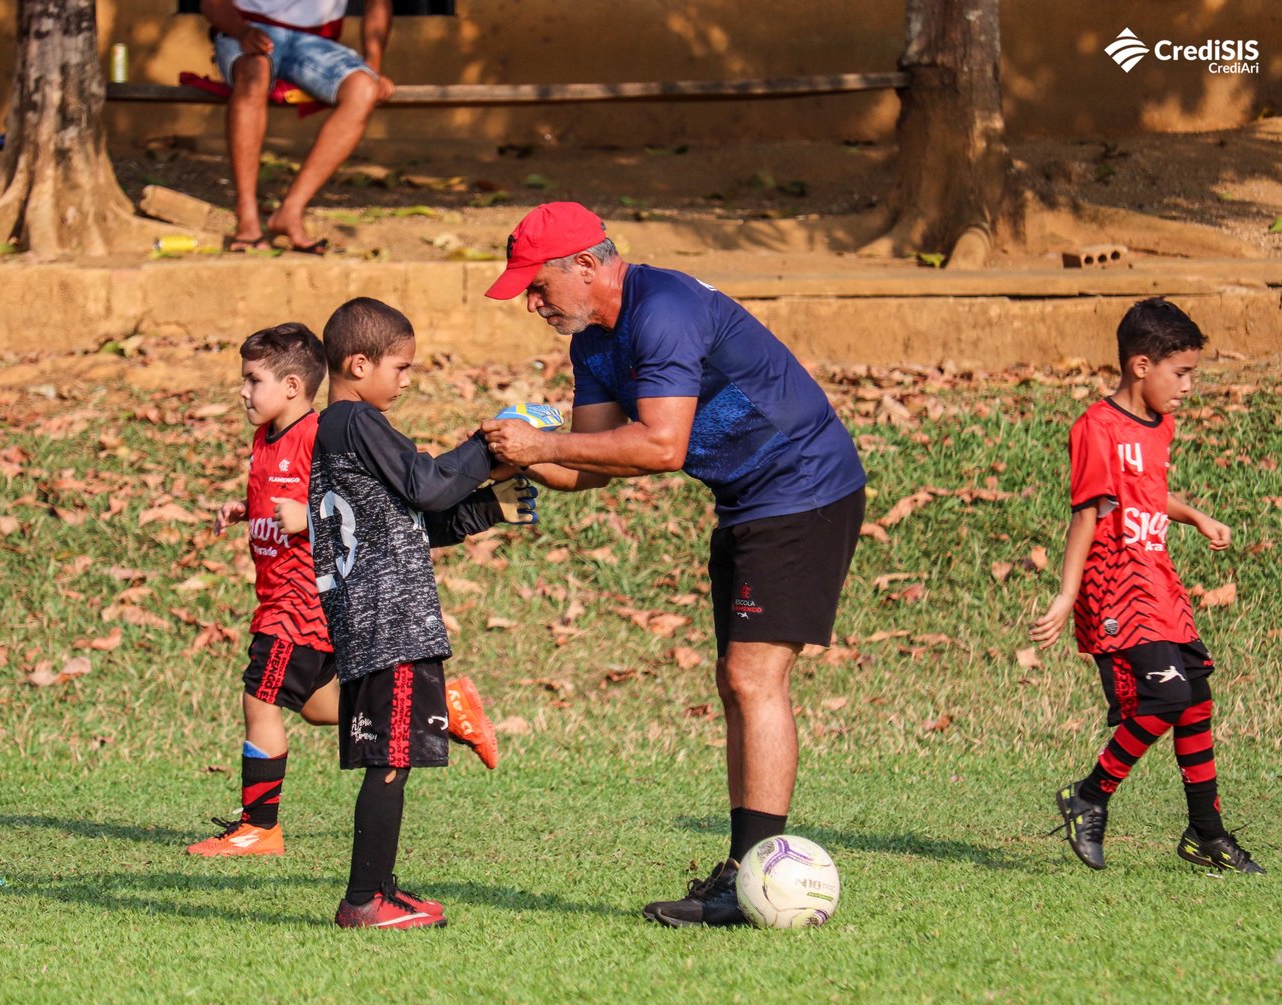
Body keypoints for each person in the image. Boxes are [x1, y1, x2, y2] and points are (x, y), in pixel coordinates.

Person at [480, 202, 867, 927]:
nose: (532, 304)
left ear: (587, 266)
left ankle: (754, 872)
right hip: (748, 499)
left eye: (538, 286)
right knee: (736, 681)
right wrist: (506, 464)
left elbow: (659, 445)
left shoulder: (665, 310)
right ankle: (745, 866)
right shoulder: (593, 342)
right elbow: (597, 463)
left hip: (804, 487)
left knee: (754, 676)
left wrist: (546, 445)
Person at [187, 322, 499, 860]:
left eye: (252, 380)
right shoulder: (266, 437)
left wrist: (305, 518)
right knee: (312, 706)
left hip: (302, 602)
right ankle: (441, 706)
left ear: (291, 386)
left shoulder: (319, 434)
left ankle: (259, 828)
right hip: (285, 601)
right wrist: (249, 509)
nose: (242, 392)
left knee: (259, 699)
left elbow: (351, 505)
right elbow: (283, 499)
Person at [312, 297, 536, 928]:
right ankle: (364, 901)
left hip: (373, 621)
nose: (408, 380)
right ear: (359, 364)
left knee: (392, 759)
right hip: (391, 625)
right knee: (390, 764)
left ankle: (381, 887)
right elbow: (427, 483)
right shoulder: (356, 421)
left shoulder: (340, 433)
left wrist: (492, 507)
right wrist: (486, 442)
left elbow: (414, 521)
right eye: (401, 367)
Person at [1031, 298, 1263, 875]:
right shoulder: (1095, 429)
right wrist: (1066, 595)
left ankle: (1205, 834)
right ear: (1142, 366)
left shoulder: (1161, 426)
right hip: (1113, 586)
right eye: (1180, 373)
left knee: (1197, 697)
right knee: (1167, 697)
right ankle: (1090, 795)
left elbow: (1149, 493)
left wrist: (1196, 517)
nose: (1188, 386)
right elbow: (1086, 515)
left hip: (1159, 581)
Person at [200, 0, 395, 254]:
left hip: (315, 43)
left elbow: (378, 3)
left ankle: (291, 210)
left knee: (363, 89)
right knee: (255, 70)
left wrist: (373, 66)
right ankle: (246, 212)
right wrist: (242, 31)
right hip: (247, 30)